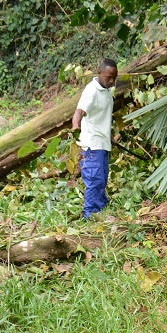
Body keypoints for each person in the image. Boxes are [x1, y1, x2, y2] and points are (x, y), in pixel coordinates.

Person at [71, 58, 118, 220]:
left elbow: (100, 116)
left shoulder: (105, 90)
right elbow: (79, 112)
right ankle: (90, 215)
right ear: (99, 73)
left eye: (114, 78)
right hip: (91, 145)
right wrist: (75, 127)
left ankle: (101, 207)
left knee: (102, 178)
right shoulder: (91, 90)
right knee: (94, 180)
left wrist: (108, 135)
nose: (111, 81)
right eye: (108, 77)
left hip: (102, 143)